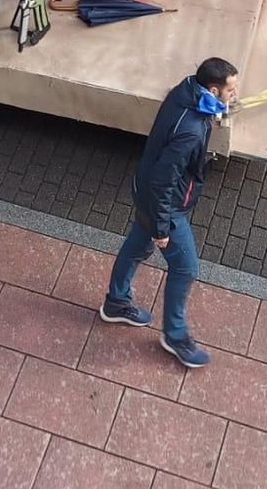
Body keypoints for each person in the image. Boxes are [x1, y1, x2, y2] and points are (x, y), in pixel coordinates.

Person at [100, 57, 240, 369]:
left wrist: (217, 111)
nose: (235, 93)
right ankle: (175, 336)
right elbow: (165, 181)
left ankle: (116, 302)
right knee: (185, 268)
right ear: (213, 90)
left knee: (137, 246)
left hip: (145, 190)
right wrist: (162, 227)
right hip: (165, 206)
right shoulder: (190, 131)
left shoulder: (185, 92)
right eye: (231, 90)